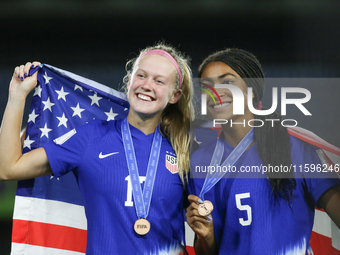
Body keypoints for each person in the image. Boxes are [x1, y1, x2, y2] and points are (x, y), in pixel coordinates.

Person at [0, 43, 194, 254]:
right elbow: (8, 168)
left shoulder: (184, 148)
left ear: (175, 96)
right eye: (141, 76)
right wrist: (16, 97)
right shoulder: (91, 137)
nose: (147, 85)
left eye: (159, 81)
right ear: (129, 82)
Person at [186, 48, 340, 255]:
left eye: (228, 82)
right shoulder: (199, 161)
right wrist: (206, 236)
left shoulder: (295, 148)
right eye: (207, 86)